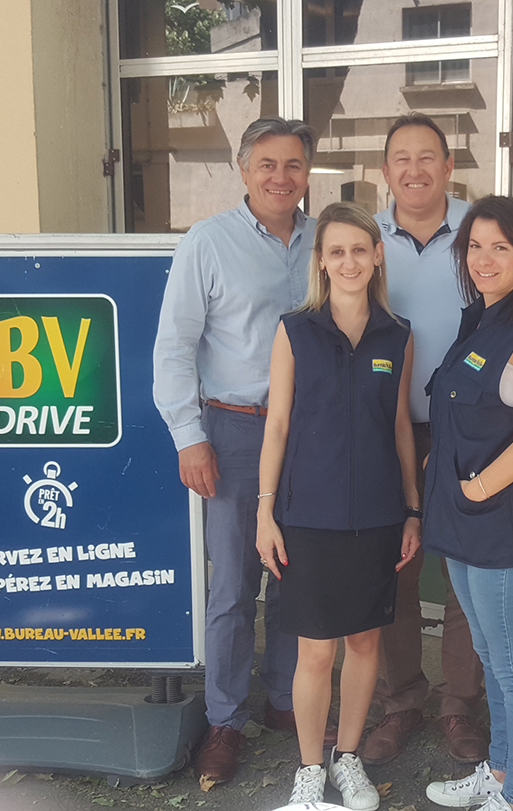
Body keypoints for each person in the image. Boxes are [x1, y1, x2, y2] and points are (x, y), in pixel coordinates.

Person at [152, 117, 314, 784]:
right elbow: (173, 345)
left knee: (295, 574)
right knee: (233, 586)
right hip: (236, 430)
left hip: (312, 434)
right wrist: (189, 435)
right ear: (244, 170)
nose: (282, 177)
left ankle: (283, 698)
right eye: (268, 164)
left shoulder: (324, 239)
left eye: (294, 165)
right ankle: (225, 716)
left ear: (309, 173)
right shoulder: (208, 242)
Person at [256, 203, 422, 810]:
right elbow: (276, 425)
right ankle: (308, 769)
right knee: (315, 650)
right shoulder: (295, 330)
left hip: (377, 517)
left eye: (359, 249)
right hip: (306, 515)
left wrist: (411, 509)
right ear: (320, 262)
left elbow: (400, 425)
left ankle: (348, 758)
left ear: (377, 255)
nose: (348, 261)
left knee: (363, 644)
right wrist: (265, 511)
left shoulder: (397, 334)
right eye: (336, 251)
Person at [422, 196, 513, 811]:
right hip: (461, 522)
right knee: (488, 655)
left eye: (499, 247)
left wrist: (478, 488)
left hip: (501, 524)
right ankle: (500, 773)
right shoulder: (480, 321)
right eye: (474, 246)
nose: (484, 259)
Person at [367, 112, 487, 765]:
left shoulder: (480, 231)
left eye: (427, 157)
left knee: (464, 571)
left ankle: (459, 703)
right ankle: (401, 698)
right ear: (384, 172)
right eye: (400, 159)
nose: (414, 169)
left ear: (448, 165)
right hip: (384, 430)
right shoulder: (363, 237)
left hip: (467, 427)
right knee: (397, 570)